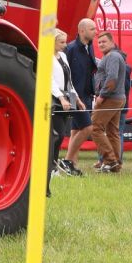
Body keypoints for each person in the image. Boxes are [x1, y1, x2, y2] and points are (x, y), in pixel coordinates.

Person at [62, 18, 97, 175]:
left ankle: (72, 165)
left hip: (87, 95)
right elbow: (64, 75)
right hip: (74, 95)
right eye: (92, 29)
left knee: (76, 130)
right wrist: (72, 96)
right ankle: (67, 160)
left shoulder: (89, 47)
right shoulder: (70, 49)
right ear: (82, 31)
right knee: (88, 127)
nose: (95, 32)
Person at [48, 30, 81, 194]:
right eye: (61, 42)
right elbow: (50, 80)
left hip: (66, 99)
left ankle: (53, 167)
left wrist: (77, 98)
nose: (65, 45)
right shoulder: (46, 57)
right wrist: (60, 97)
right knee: (55, 135)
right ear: (53, 42)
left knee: (60, 135)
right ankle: (50, 168)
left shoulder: (64, 57)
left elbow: (69, 80)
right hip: (54, 99)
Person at [90, 31, 127, 173]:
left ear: (112, 42)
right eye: (99, 42)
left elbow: (112, 78)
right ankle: (115, 163)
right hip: (117, 97)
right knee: (112, 131)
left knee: (94, 127)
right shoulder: (112, 56)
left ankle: (110, 160)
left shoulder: (112, 56)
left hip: (110, 98)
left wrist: (102, 96)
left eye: (104, 41)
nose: (101, 44)